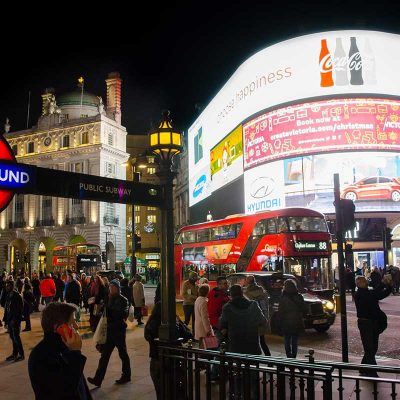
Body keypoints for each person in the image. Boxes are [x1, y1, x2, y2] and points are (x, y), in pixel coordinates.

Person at [28, 302, 92, 400]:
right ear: (58, 328)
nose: (76, 327)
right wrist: (75, 354)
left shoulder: (65, 347)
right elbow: (65, 391)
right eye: (72, 323)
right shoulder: (41, 356)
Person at [219, 284, 266, 399]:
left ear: (231, 294)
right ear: (242, 293)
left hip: (235, 346)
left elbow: (222, 326)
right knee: (253, 374)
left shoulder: (227, 308)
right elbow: (262, 321)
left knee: (237, 374)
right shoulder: (253, 305)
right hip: (252, 345)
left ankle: (238, 395)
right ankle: (254, 396)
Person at [88, 279, 131, 387]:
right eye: (110, 287)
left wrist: (107, 309)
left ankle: (126, 375)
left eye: (113, 287)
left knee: (123, 354)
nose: (111, 289)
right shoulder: (107, 298)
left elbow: (120, 314)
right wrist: (100, 309)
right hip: (109, 331)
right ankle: (98, 379)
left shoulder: (123, 300)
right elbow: (104, 313)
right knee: (104, 356)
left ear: (118, 288)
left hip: (118, 331)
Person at [354, 275, 392, 376]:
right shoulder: (360, 294)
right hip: (365, 323)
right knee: (370, 348)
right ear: (358, 284)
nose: (366, 281)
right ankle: (372, 371)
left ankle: (363, 368)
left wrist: (385, 285)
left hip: (372, 323)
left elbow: (376, 293)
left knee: (372, 347)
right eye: (363, 281)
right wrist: (386, 285)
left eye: (365, 280)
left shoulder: (366, 292)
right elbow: (377, 294)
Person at [278, 279, 306, 358]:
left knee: (287, 340)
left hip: (286, 322)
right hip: (296, 320)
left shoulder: (283, 298)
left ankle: (289, 356)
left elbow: (280, 312)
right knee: (294, 341)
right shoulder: (299, 296)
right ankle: (294, 357)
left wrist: (279, 323)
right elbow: (304, 308)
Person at [244, 275, 271, 356]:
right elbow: (267, 305)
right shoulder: (262, 291)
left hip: (252, 321)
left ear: (248, 282)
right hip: (262, 318)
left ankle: (255, 359)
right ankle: (268, 358)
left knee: (253, 342)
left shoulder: (246, 294)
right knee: (262, 341)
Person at [4, 280, 24, 361]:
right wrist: (5, 320)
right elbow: (7, 308)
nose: (7, 287)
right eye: (6, 285)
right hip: (10, 320)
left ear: (12, 286)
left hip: (15, 321)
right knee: (13, 337)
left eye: (8, 285)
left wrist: (15, 320)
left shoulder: (17, 296)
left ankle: (21, 354)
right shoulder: (8, 295)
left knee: (16, 337)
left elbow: (19, 310)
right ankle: (15, 353)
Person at [181, 271, 199, 335]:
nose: (196, 279)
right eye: (195, 278)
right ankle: (184, 333)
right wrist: (195, 297)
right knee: (187, 319)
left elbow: (198, 294)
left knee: (195, 320)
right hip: (187, 305)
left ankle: (194, 334)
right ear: (191, 278)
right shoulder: (186, 283)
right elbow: (184, 294)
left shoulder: (196, 285)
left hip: (194, 305)